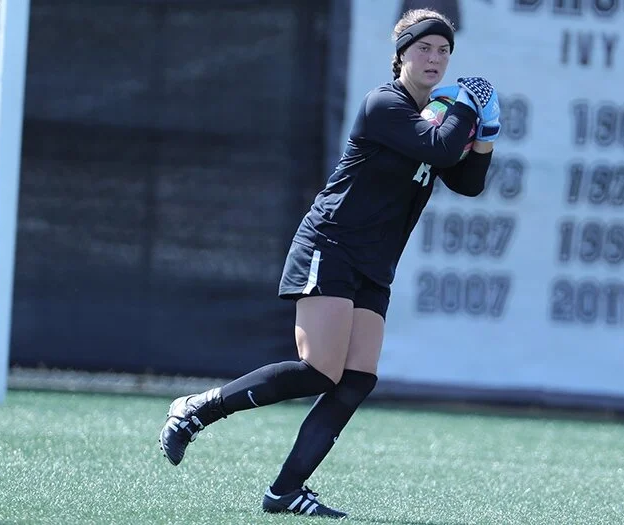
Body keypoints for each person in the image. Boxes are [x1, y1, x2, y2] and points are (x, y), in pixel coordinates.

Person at [159, 8, 501, 518]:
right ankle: (197, 409)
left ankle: (285, 491)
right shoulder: (384, 104)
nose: (435, 58)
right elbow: (442, 148)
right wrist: (468, 108)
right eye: (424, 47)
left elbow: (467, 180)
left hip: (374, 262)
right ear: (401, 53)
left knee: (358, 377)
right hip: (332, 244)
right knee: (320, 370)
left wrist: (486, 128)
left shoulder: (436, 115)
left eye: (444, 50)